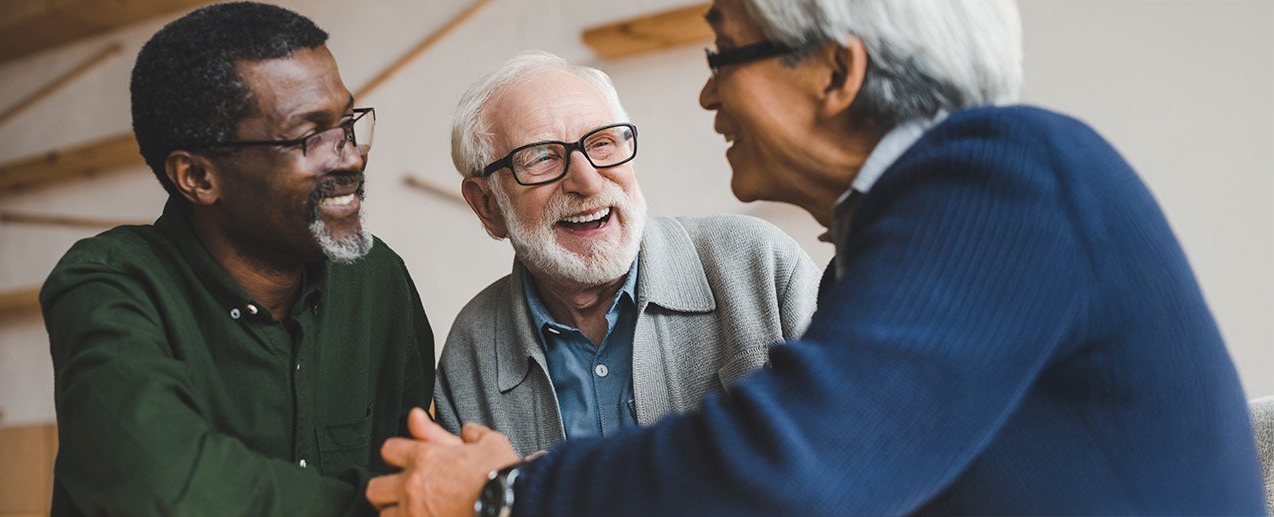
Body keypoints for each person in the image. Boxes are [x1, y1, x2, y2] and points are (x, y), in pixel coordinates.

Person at [366, 0, 1266, 515]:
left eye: (725, 51)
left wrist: (506, 495)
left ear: (836, 73)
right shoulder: (884, 241)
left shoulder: (1005, 174)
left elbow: (799, 468)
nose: (708, 92)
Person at [42, 3, 433, 515]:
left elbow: (409, 466)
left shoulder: (377, 279)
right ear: (199, 178)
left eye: (346, 124)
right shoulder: (108, 282)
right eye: (310, 136)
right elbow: (162, 487)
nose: (352, 155)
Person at [434, 51, 821, 457]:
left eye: (601, 143)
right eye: (542, 157)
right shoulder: (472, 348)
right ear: (487, 205)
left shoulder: (760, 264)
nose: (586, 180)